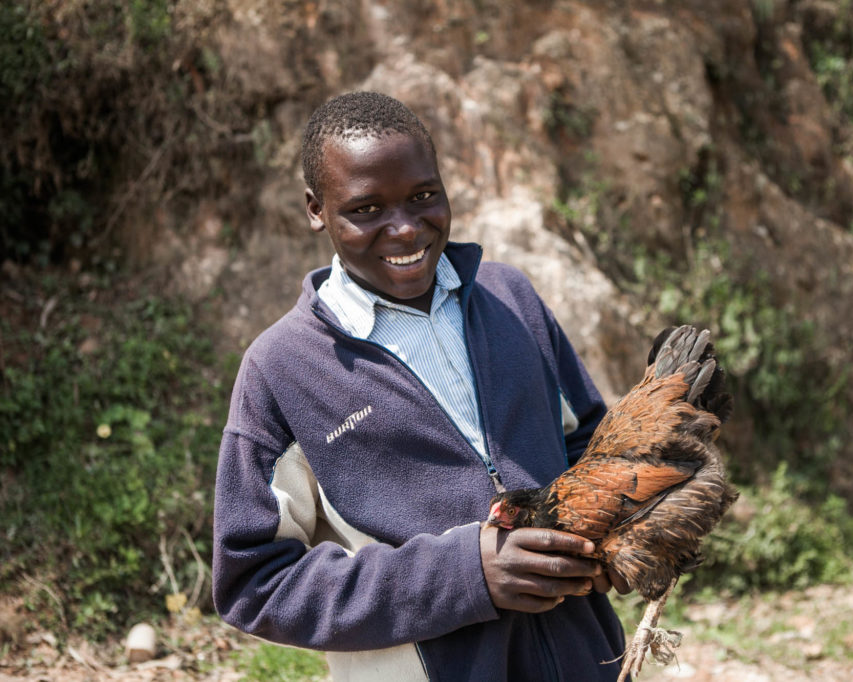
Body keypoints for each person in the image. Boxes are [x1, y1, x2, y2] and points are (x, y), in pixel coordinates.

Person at [212, 91, 628, 681]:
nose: (406, 229)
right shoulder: (281, 369)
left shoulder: (511, 301)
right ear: (315, 210)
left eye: (423, 196)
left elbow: (588, 443)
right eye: (366, 209)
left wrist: (611, 532)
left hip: (587, 662)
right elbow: (255, 581)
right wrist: (463, 575)